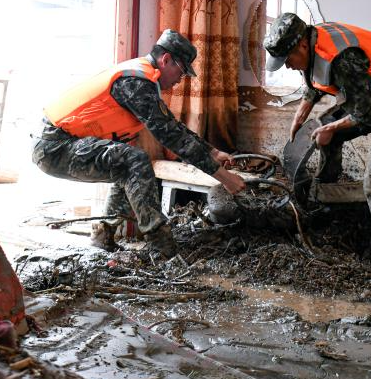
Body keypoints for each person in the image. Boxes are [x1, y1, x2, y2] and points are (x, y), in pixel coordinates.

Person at [34, 29, 246, 257]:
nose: (179, 80)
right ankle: (161, 245)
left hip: (63, 143)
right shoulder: (136, 83)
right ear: (166, 60)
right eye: (181, 71)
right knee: (134, 160)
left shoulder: (143, 78)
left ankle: (103, 235)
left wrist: (212, 152)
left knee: (125, 164)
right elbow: (172, 138)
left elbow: (172, 127)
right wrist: (225, 178)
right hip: (54, 147)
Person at [263, 13, 371, 261]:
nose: (287, 66)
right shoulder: (312, 38)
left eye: (287, 59)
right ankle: (325, 200)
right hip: (369, 99)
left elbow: (368, 113)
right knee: (326, 128)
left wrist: (332, 128)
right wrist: (302, 111)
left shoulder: (343, 60)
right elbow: (315, 75)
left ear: (302, 45)